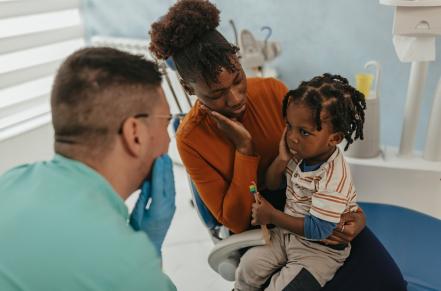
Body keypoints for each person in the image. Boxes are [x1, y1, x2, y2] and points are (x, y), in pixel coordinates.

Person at [149, 1, 407, 290]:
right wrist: (244, 151)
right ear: (189, 88)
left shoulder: (272, 92)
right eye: (217, 93)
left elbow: (322, 162)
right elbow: (236, 221)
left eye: (238, 80)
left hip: (313, 216)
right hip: (263, 231)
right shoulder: (191, 139)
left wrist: (354, 215)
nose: (235, 98)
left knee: (390, 283)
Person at [0, 47, 176, 291]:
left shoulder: (11, 180)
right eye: (166, 123)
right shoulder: (127, 266)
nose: (169, 140)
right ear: (135, 134)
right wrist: (148, 253)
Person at [235, 74, 366, 290]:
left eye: (304, 131)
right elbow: (272, 182)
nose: (293, 137)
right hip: (286, 235)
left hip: (318, 250)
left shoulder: (334, 175)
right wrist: (282, 159)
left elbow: (319, 229)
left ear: (333, 139)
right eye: (289, 126)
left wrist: (272, 215)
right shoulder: (300, 154)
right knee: (247, 268)